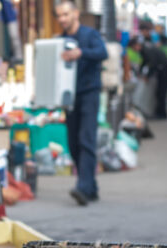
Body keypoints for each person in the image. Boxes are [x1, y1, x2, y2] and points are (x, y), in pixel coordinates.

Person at [56, 0, 107, 206]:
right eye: (59, 16)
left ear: (75, 14)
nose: (62, 19)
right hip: (70, 97)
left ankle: (83, 187)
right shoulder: (60, 41)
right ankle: (91, 187)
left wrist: (81, 53)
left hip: (89, 93)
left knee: (86, 139)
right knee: (73, 144)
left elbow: (102, 53)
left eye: (66, 14)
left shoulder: (89, 35)